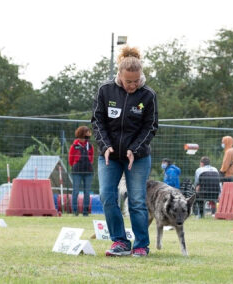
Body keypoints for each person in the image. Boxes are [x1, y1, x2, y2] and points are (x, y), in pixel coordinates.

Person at [91, 46, 158, 257]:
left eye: (136, 80)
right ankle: (119, 241)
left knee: (137, 200)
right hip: (109, 155)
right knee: (107, 196)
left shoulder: (148, 95)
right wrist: (106, 146)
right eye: (129, 81)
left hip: (137, 157)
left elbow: (150, 126)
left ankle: (141, 245)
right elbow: (97, 121)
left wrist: (134, 150)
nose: (133, 85)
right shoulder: (105, 91)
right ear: (119, 75)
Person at [68, 126, 94, 216]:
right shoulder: (74, 146)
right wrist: (75, 165)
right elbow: (70, 160)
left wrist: (88, 164)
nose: (89, 134)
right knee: (75, 191)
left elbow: (92, 158)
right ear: (82, 133)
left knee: (87, 192)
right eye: (87, 132)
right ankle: (75, 211)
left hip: (88, 172)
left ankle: (85, 212)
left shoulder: (90, 146)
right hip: (77, 172)